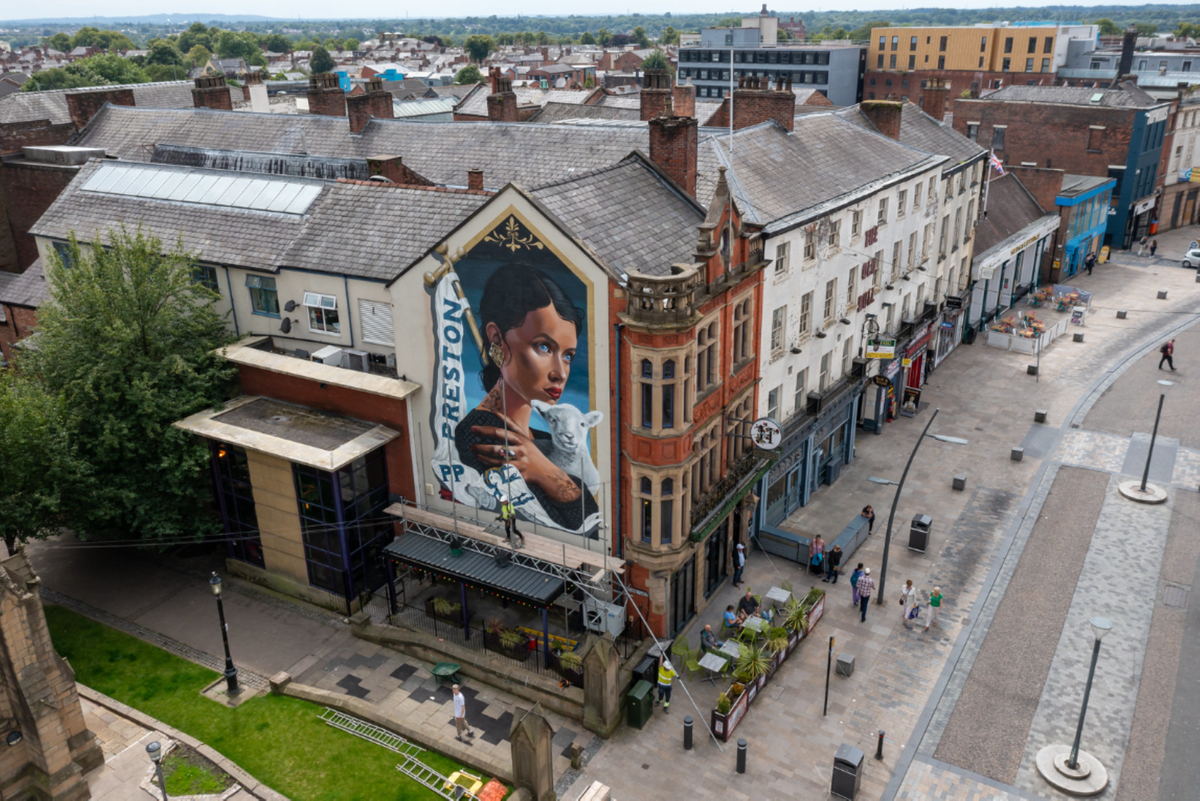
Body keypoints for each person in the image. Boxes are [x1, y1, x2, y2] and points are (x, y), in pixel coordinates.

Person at [456, 263, 598, 531]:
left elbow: (592, 522)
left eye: (568, 356)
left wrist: (545, 471)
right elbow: (569, 523)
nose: (560, 373)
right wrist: (549, 476)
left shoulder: (542, 441)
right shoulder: (478, 434)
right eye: (544, 346)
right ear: (497, 339)